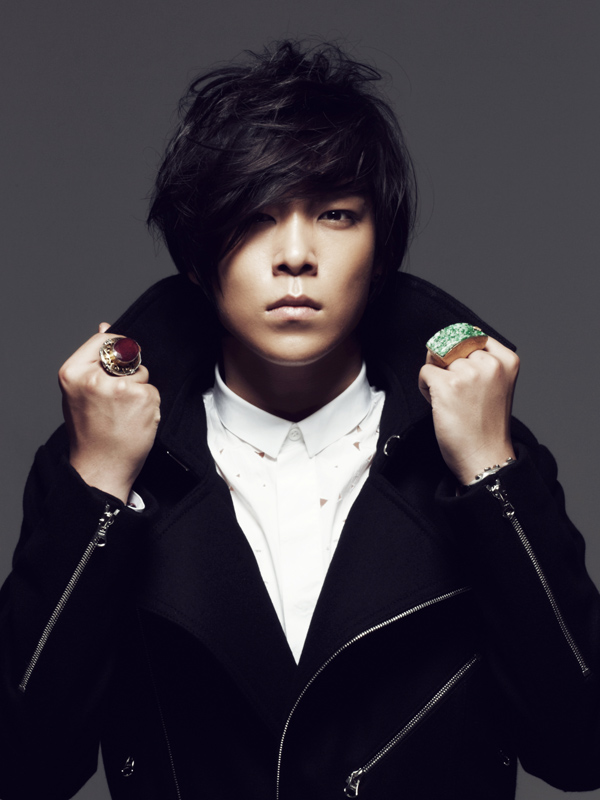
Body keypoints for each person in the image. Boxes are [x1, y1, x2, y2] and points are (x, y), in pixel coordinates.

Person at [0, 40, 599, 800]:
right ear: (196, 257)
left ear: (380, 251)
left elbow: (579, 747)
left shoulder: (483, 456)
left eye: (336, 214)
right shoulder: (99, 463)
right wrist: (98, 484)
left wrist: (489, 473)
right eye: (253, 217)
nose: (294, 255)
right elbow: (25, 767)